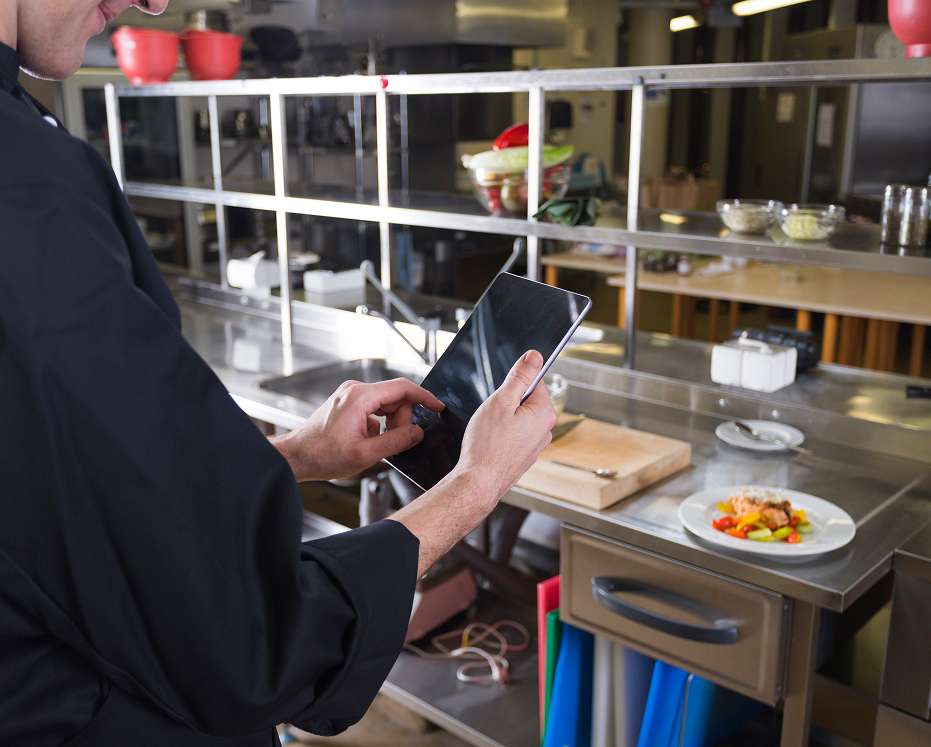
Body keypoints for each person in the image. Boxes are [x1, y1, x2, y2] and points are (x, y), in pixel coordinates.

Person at [0, 1, 557, 744]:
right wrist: (472, 486)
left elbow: (60, 497)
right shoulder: (25, 185)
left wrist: (295, 454)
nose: (153, 3)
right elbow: (251, 640)